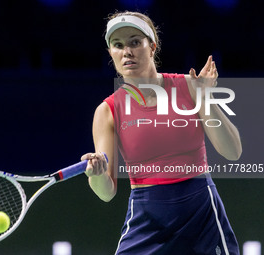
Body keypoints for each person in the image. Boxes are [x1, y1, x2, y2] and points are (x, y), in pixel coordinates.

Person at [81, 11, 242, 255]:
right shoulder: (107, 111)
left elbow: (233, 152)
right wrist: (97, 175)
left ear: (152, 46)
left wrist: (205, 98)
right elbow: (106, 193)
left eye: (135, 42)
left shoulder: (189, 85)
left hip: (201, 215)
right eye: (118, 45)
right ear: (111, 53)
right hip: (148, 219)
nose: (127, 51)